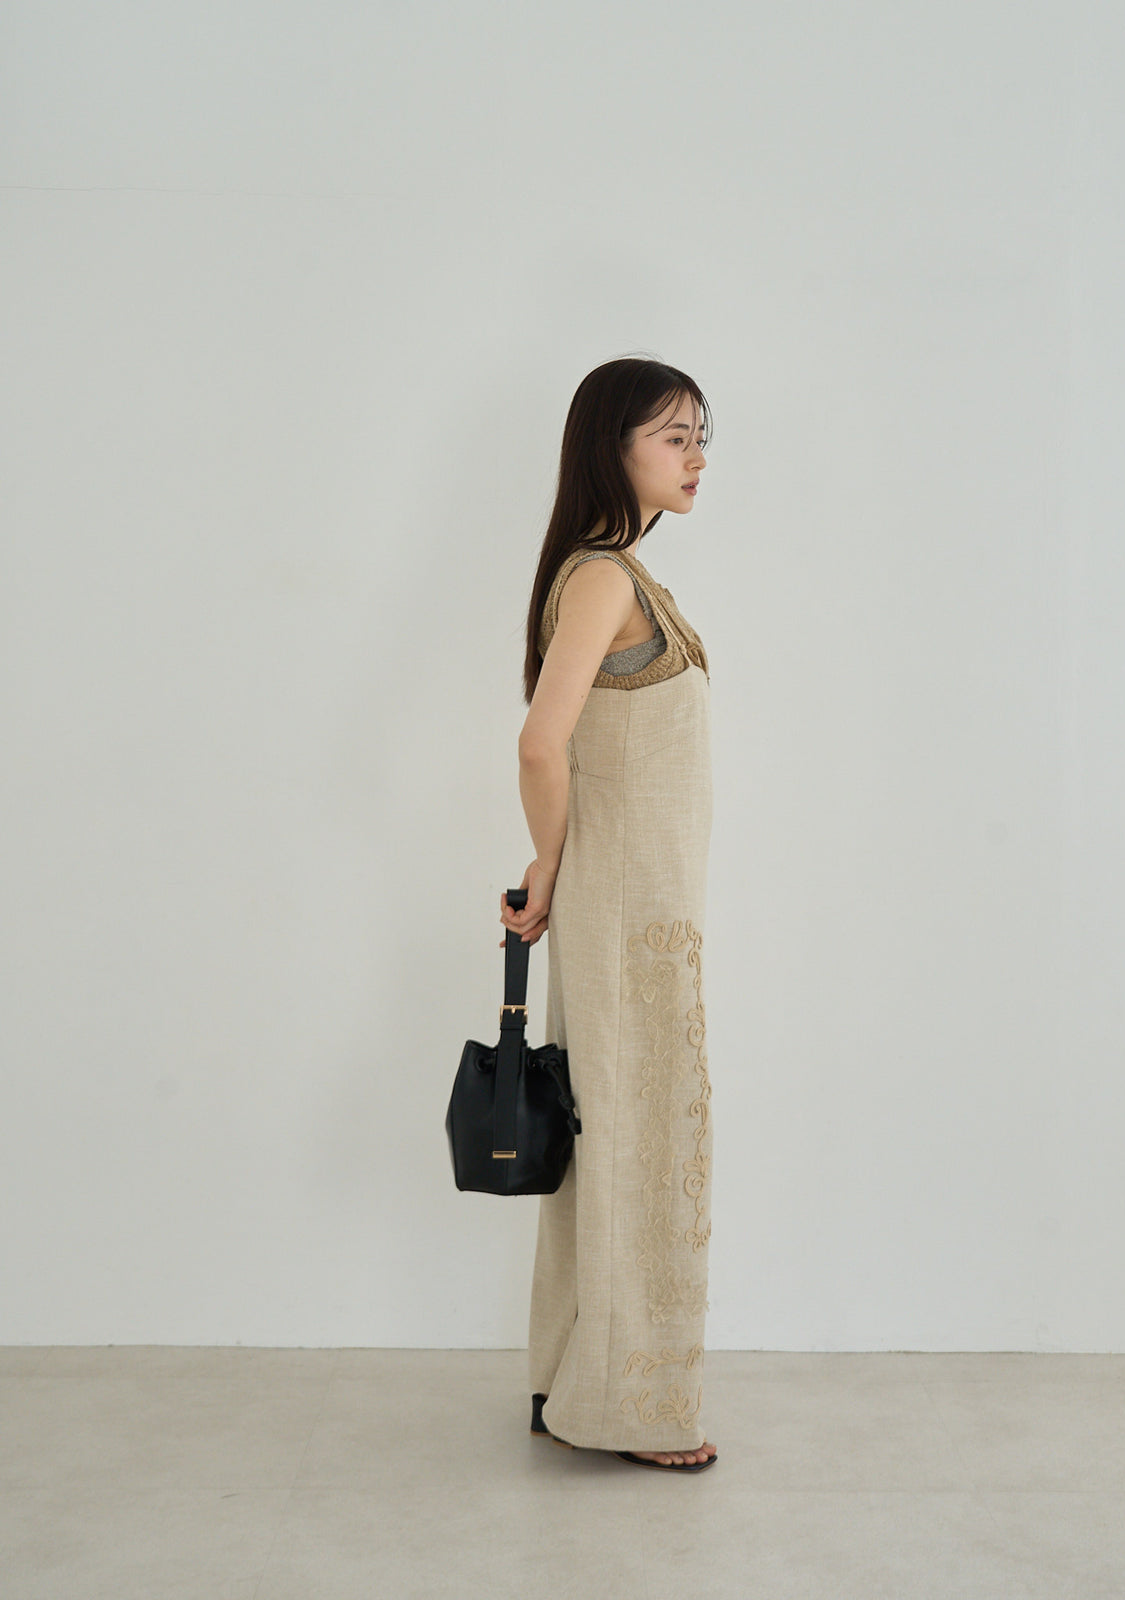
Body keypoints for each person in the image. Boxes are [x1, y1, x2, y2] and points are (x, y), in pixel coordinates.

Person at [499, 356, 718, 1473]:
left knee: (616, 1140)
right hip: (627, 914)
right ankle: (628, 1406)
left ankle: (570, 1380)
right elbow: (543, 742)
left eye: (701, 437)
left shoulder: (623, 573)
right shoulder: (601, 577)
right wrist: (549, 865)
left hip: (643, 910)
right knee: (641, 1140)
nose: (697, 457)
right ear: (612, 446)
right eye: (674, 436)